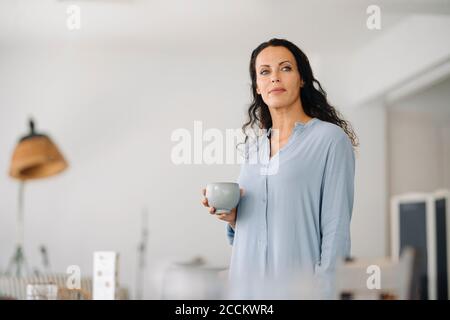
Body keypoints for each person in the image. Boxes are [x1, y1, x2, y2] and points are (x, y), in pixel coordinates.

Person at [202, 38, 357, 299]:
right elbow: (256, 225)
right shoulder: (254, 148)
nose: (274, 77)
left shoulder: (330, 140)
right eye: (264, 72)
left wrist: (324, 293)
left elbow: (336, 230)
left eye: (285, 68)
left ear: (302, 79)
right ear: (258, 87)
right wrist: (233, 218)